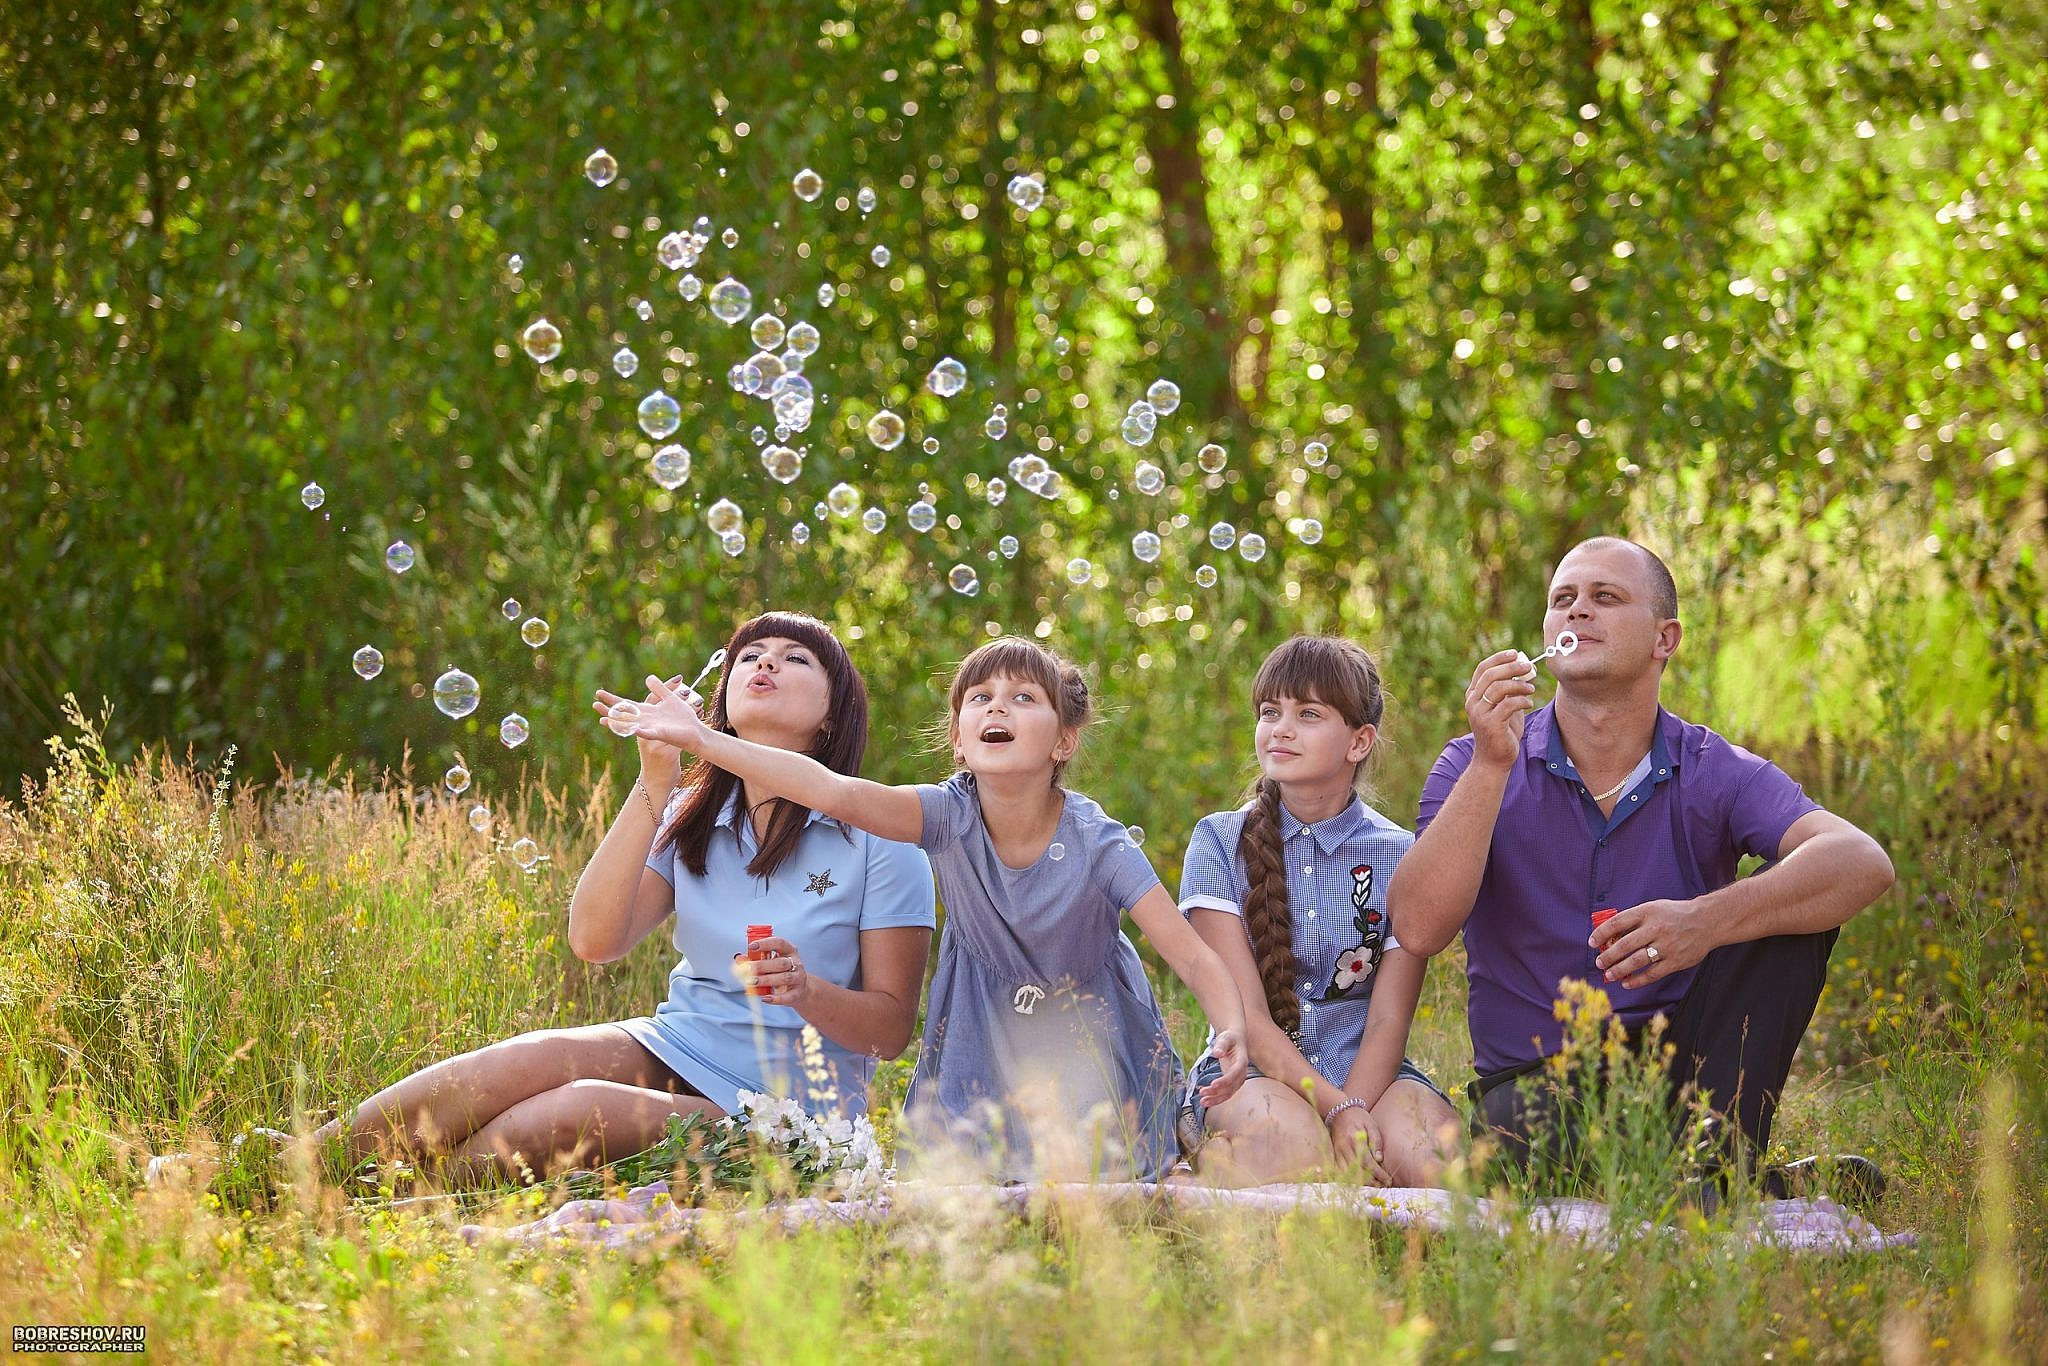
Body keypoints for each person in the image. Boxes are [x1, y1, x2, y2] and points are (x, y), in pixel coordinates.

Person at [314, 611, 936, 1185]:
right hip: (679, 1043)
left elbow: (888, 1033)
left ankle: (372, 1201)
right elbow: (595, 939)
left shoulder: (879, 839)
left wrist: (809, 991)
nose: (764, 663)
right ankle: (299, 1167)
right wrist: (656, 776)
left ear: (833, 715)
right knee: (520, 1062)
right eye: (750, 655)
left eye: (795, 658)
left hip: (791, 1110)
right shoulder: (695, 818)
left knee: (577, 1109)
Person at [619, 634, 1249, 1182]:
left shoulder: (1098, 842)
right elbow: (829, 788)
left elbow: (1192, 958)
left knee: (1097, 1179)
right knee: (968, 1185)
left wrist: (1230, 1030)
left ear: (1064, 741)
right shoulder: (946, 815)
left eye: (1024, 697)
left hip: (1088, 1037)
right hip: (984, 1038)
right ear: (957, 738)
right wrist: (702, 740)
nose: (998, 705)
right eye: (980, 697)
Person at [1387, 537, 1895, 1199]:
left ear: (1665, 638)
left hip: (1686, 1074)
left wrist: (1706, 921)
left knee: (1793, 909)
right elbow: (1419, 929)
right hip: (1538, 1092)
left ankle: (1709, 1162)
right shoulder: (1471, 764)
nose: (1576, 614)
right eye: (1562, 600)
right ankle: (1725, 1177)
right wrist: (1491, 763)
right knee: (1523, 1141)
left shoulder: (1713, 769)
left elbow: (1863, 862)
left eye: (1605, 597)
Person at [1178, 636, 1460, 1187]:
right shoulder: (1217, 841)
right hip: (1253, 1068)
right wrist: (1333, 1111)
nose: (1281, 728)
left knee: (1428, 1161)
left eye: (1307, 714)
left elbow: (1387, 1020)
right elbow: (1247, 1018)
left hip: (1369, 1072)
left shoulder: (1401, 855)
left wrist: (1354, 1108)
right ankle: (1201, 1166)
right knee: (1296, 1152)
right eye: (1269, 712)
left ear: (1359, 742)